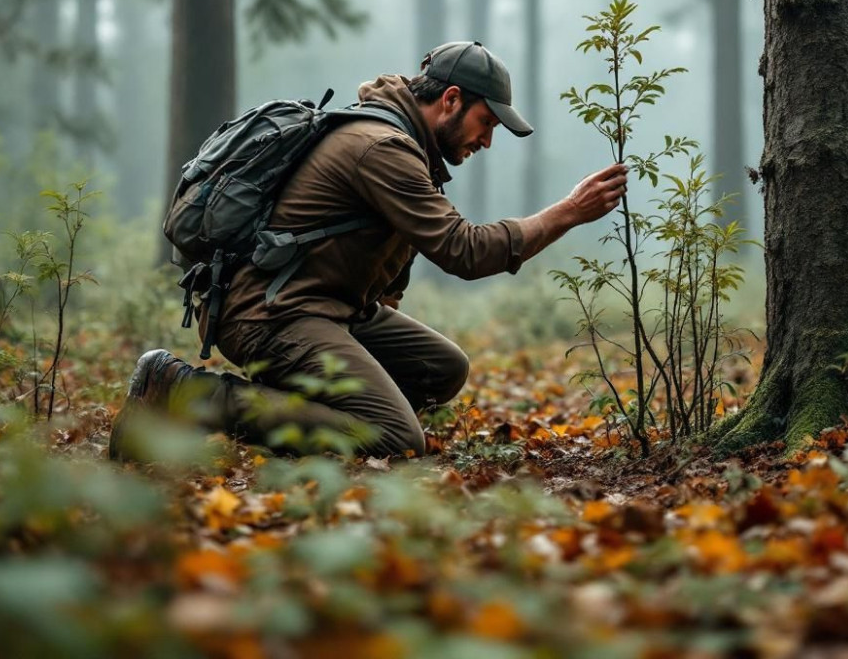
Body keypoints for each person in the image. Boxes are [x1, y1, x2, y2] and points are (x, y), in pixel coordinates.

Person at [109, 41, 627, 460]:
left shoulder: (404, 144)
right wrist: (569, 212)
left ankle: (311, 417)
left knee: (442, 368)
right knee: (396, 437)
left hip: (322, 308)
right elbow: (465, 252)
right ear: (451, 100)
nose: (487, 140)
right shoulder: (382, 148)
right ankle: (183, 392)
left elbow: (385, 268)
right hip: (268, 313)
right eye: (486, 123)